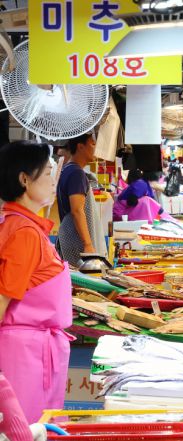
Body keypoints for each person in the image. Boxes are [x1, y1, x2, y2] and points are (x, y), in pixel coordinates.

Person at [0, 141, 73, 422]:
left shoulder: (19, 223)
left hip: (29, 351)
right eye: (47, 174)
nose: (53, 180)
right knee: (25, 430)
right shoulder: (24, 233)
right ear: (24, 179)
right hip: (23, 357)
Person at [56, 133, 106, 266]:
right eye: (92, 144)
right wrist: (88, 245)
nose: (96, 148)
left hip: (70, 241)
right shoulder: (76, 173)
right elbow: (77, 210)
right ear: (80, 146)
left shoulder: (68, 169)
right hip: (77, 245)